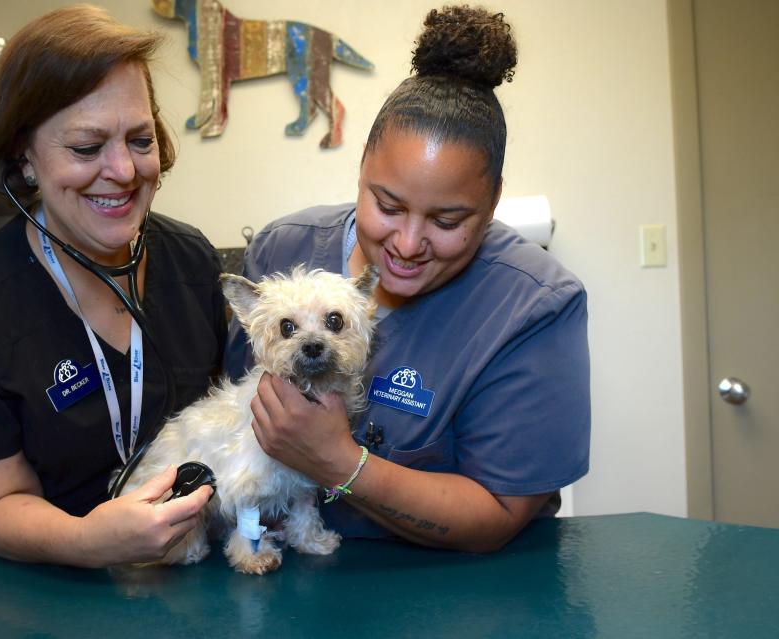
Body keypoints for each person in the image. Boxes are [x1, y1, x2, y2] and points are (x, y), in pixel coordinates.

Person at [225, 5, 590, 552]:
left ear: (492, 203)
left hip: (458, 598)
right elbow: (235, 420)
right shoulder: (282, 249)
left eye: (447, 221)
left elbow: (499, 514)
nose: (408, 243)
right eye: (387, 205)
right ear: (362, 169)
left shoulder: (533, 306)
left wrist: (338, 462)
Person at [0, 5, 223, 568]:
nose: (125, 172)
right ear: (24, 158)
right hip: (22, 590)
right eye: (86, 148)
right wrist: (89, 543)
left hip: (167, 576)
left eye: (140, 139)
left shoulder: (193, 264)